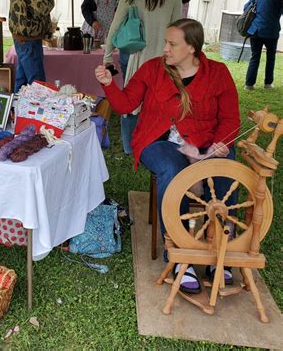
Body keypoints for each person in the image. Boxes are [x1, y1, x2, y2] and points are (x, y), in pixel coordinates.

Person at [96, 18, 240, 292]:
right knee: (172, 170)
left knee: (226, 168)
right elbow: (126, 103)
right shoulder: (153, 69)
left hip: (205, 143)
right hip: (156, 141)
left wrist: (217, 146)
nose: (165, 49)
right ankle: (178, 258)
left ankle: (220, 253)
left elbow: (231, 119)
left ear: (192, 48)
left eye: (172, 44)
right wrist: (108, 84)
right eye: (165, 42)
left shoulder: (218, 73)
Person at [103, 0, 182, 155]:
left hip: (138, 58)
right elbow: (178, 29)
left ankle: (131, 147)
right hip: (165, 60)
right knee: (161, 105)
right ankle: (157, 144)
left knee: (130, 105)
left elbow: (116, 23)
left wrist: (107, 56)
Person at [9, 0, 56, 92]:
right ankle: (35, 113)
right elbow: (40, 9)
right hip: (30, 40)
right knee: (38, 85)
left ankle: (15, 112)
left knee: (21, 83)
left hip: (20, 38)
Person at [81, 0, 129, 76]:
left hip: (111, 32)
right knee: (90, 61)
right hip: (93, 30)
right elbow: (85, 6)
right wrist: (92, 21)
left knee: (107, 59)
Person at [244, 0, 283, 90]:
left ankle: (249, 85)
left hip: (255, 30)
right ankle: (268, 84)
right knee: (270, 57)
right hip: (271, 31)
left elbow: (246, 6)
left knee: (255, 57)